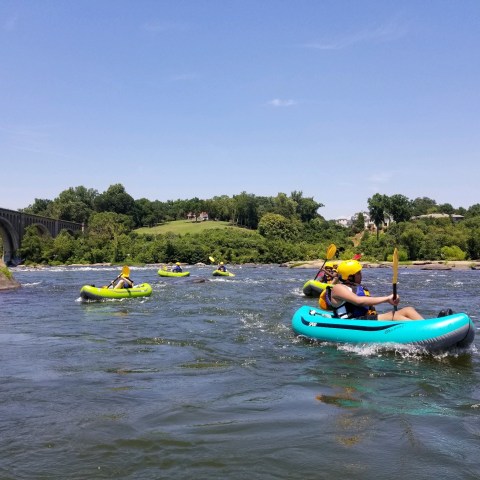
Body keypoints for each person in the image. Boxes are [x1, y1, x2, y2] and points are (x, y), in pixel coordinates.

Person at [324, 260, 424, 321]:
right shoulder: (338, 288)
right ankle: (424, 332)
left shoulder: (355, 287)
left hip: (363, 319)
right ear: (350, 276)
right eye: (358, 273)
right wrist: (387, 299)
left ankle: (430, 328)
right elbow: (359, 301)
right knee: (394, 316)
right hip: (352, 322)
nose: (361, 275)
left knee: (408, 310)